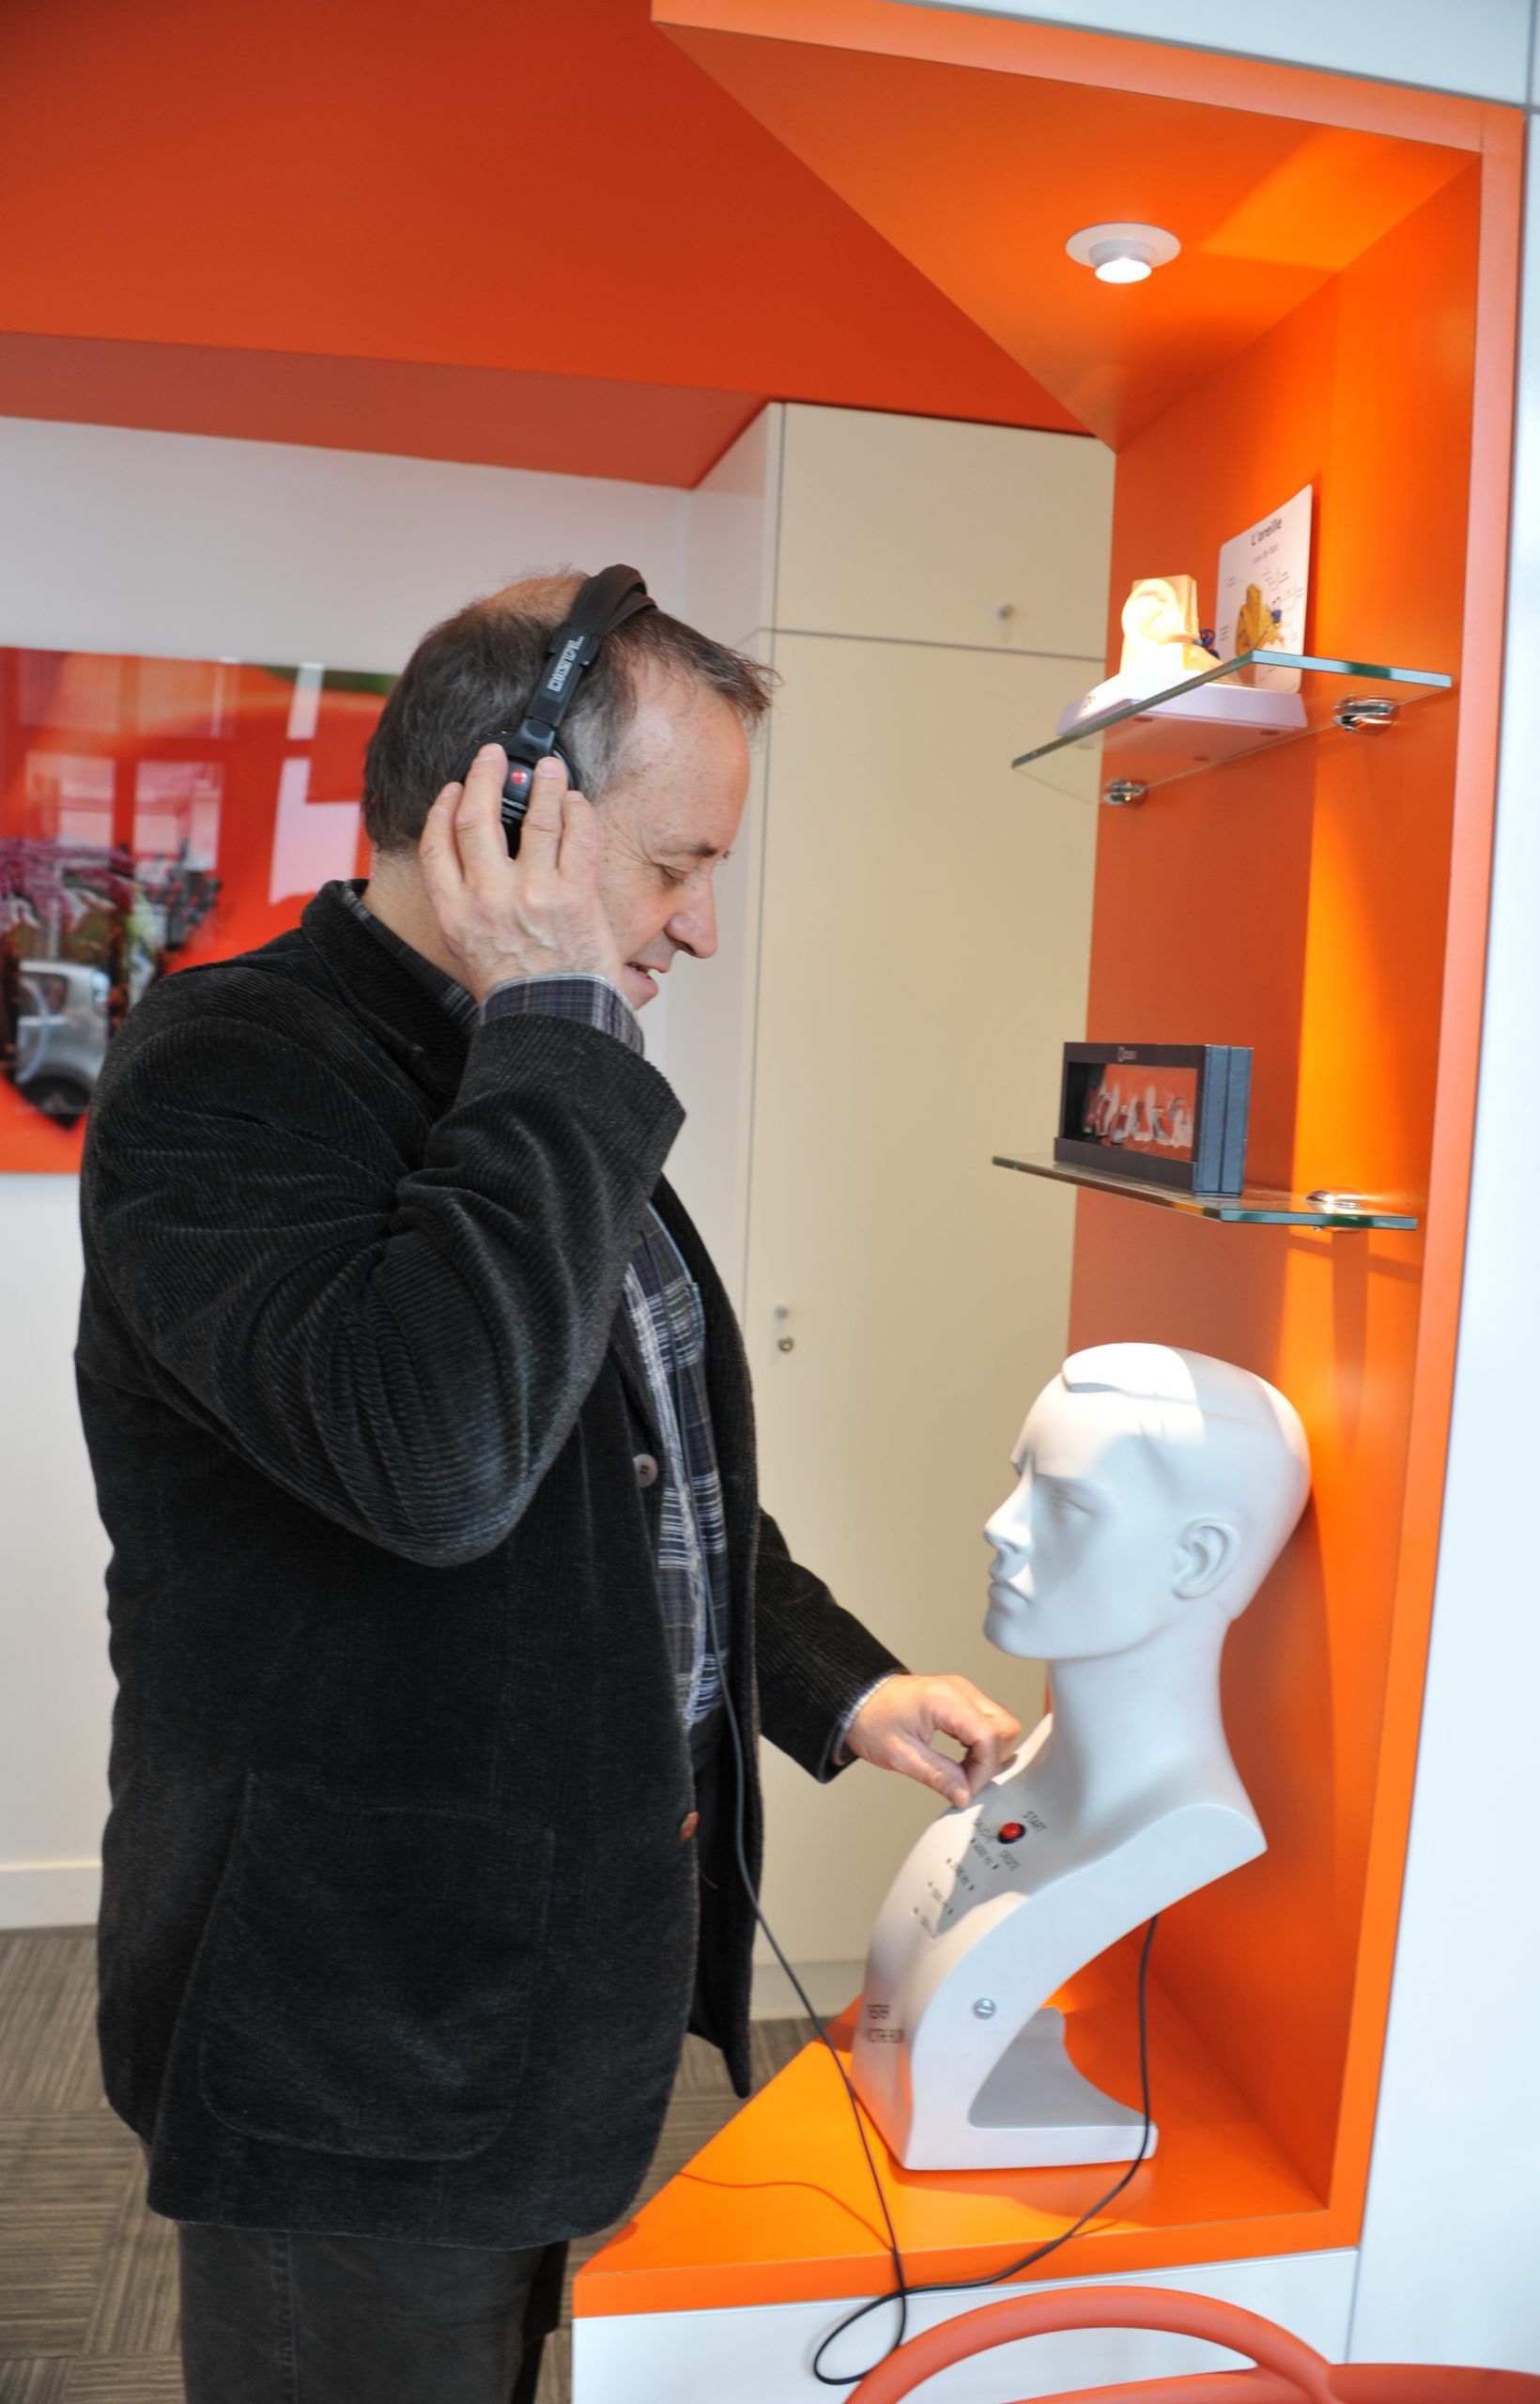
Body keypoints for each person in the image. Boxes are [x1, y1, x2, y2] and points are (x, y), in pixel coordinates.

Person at [74, 570, 1023, 2403]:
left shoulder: (525, 1066)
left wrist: (838, 1682)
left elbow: (647, 1479)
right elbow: (438, 1459)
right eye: (674, 862)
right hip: (346, 2037)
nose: (704, 924)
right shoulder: (230, 1079)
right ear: (502, 812)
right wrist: (562, 1015)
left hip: (530, 2008)